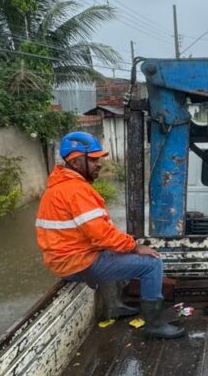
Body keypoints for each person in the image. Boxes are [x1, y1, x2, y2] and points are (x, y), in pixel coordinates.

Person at [35, 131, 184, 339]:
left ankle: (114, 307)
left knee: (113, 248)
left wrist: (122, 243)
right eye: (94, 160)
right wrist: (134, 246)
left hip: (64, 261)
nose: (99, 164)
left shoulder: (57, 188)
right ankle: (154, 324)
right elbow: (102, 235)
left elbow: (98, 234)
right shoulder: (76, 190)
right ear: (77, 162)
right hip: (79, 262)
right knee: (152, 263)